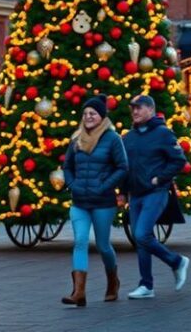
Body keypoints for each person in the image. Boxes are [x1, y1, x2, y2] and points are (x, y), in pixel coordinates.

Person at [62, 95, 128, 307]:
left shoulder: (113, 139)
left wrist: (104, 185)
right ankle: (78, 292)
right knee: (80, 241)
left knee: (102, 245)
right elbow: (68, 167)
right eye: (86, 113)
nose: (88, 116)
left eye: (93, 113)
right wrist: (72, 184)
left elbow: (122, 167)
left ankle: (112, 281)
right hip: (79, 201)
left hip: (103, 202)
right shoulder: (76, 139)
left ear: (102, 116)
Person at [122, 95, 189, 299]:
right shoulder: (129, 137)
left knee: (142, 234)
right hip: (135, 195)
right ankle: (146, 285)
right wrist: (123, 193)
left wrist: (160, 179)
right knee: (140, 238)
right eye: (132, 108)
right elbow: (124, 167)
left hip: (156, 192)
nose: (134, 112)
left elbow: (179, 160)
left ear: (150, 110)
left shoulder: (163, 134)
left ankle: (177, 261)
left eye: (139, 108)